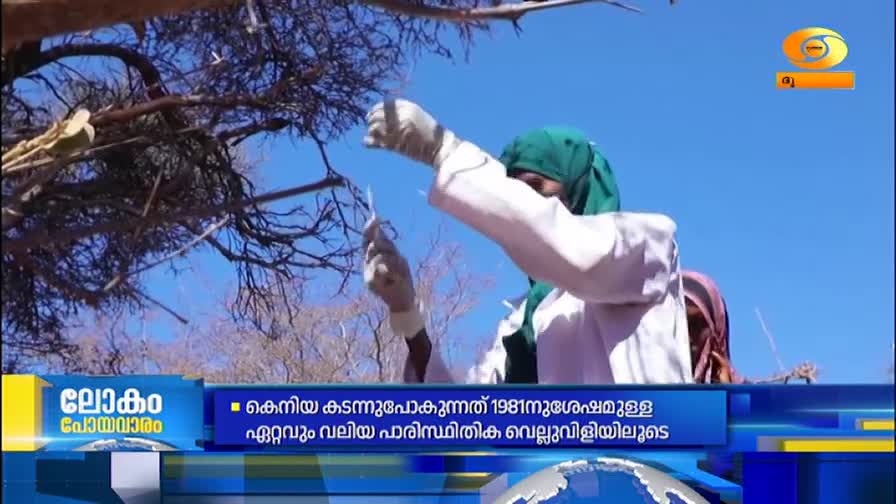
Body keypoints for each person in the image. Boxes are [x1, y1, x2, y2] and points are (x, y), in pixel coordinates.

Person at [362, 99, 692, 384]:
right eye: (515, 191)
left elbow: (579, 253)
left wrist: (444, 152)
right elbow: (463, 422)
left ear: (578, 188)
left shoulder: (647, 249)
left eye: (536, 187)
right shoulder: (521, 325)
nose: (525, 203)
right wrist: (407, 315)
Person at [682, 270, 743, 384]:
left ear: (715, 328)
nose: (687, 336)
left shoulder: (751, 396)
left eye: (696, 324)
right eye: (680, 324)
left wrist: (726, 392)